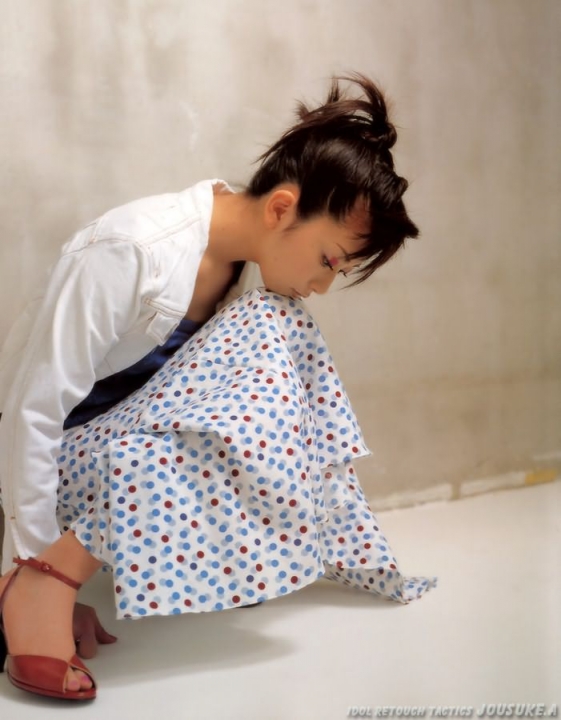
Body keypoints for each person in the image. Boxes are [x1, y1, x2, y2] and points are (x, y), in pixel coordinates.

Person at [0, 73, 430, 702]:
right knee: (251, 368)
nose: (322, 285)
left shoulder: (245, 278)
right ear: (281, 208)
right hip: (58, 463)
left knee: (281, 333)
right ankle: (40, 585)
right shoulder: (131, 248)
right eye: (330, 260)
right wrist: (28, 562)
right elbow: (31, 413)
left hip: (123, 456)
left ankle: (289, 542)